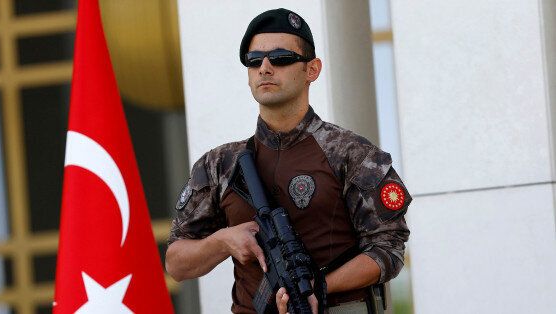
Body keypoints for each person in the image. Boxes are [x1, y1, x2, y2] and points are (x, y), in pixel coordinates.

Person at [165, 8, 411, 314]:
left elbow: (389, 249)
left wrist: (319, 287)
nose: (265, 68)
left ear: (312, 70)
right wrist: (222, 241)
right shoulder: (219, 164)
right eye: (254, 61)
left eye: (280, 58)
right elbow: (177, 263)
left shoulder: (352, 153)